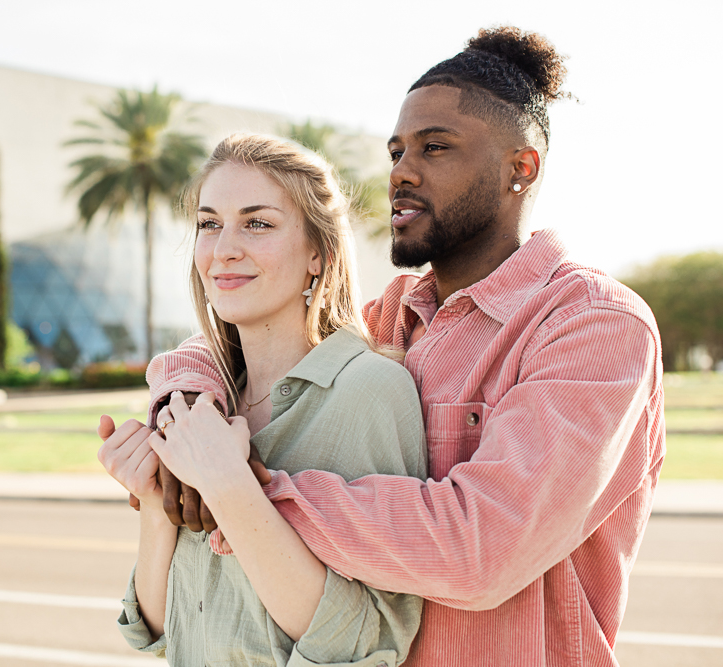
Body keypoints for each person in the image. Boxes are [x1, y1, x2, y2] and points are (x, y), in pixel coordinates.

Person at [144, 27, 665, 667]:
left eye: (434, 148)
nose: (401, 173)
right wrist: (187, 400)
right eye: (395, 152)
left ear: (519, 169)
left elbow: (483, 550)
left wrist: (245, 490)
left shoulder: (591, 325)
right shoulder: (392, 316)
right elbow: (240, 334)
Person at [97, 133, 428, 665]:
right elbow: (160, 630)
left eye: (258, 223)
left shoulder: (369, 391)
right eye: (210, 223)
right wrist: (158, 496)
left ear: (317, 254)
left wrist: (230, 488)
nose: (224, 248)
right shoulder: (200, 406)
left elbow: (367, 641)